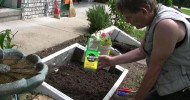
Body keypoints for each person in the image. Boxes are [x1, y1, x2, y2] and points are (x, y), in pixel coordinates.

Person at [98, 0, 190, 100]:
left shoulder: (166, 26)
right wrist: (111, 61)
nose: (127, 21)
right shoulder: (154, 16)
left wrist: (137, 98)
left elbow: (154, 69)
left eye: (129, 17)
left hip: (184, 85)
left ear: (144, 11)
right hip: (171, 75)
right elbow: (142, 51)